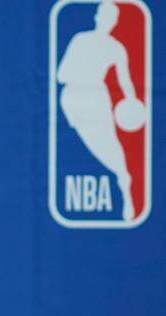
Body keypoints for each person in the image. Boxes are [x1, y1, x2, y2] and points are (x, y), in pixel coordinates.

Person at [56, 0, 143, 220]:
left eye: (111, 18)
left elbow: (125, 81)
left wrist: (132, 102)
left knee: (110, 144)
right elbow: (60, 74)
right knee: (85, 143)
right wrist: (81, 73)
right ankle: (122, 178)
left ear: (115, 22)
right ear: (97, 17)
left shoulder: (116, 48)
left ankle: (125, 186)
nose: (107, 21)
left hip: (97, 99)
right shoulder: (80, 40)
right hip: (72, 99)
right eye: (104, 16)